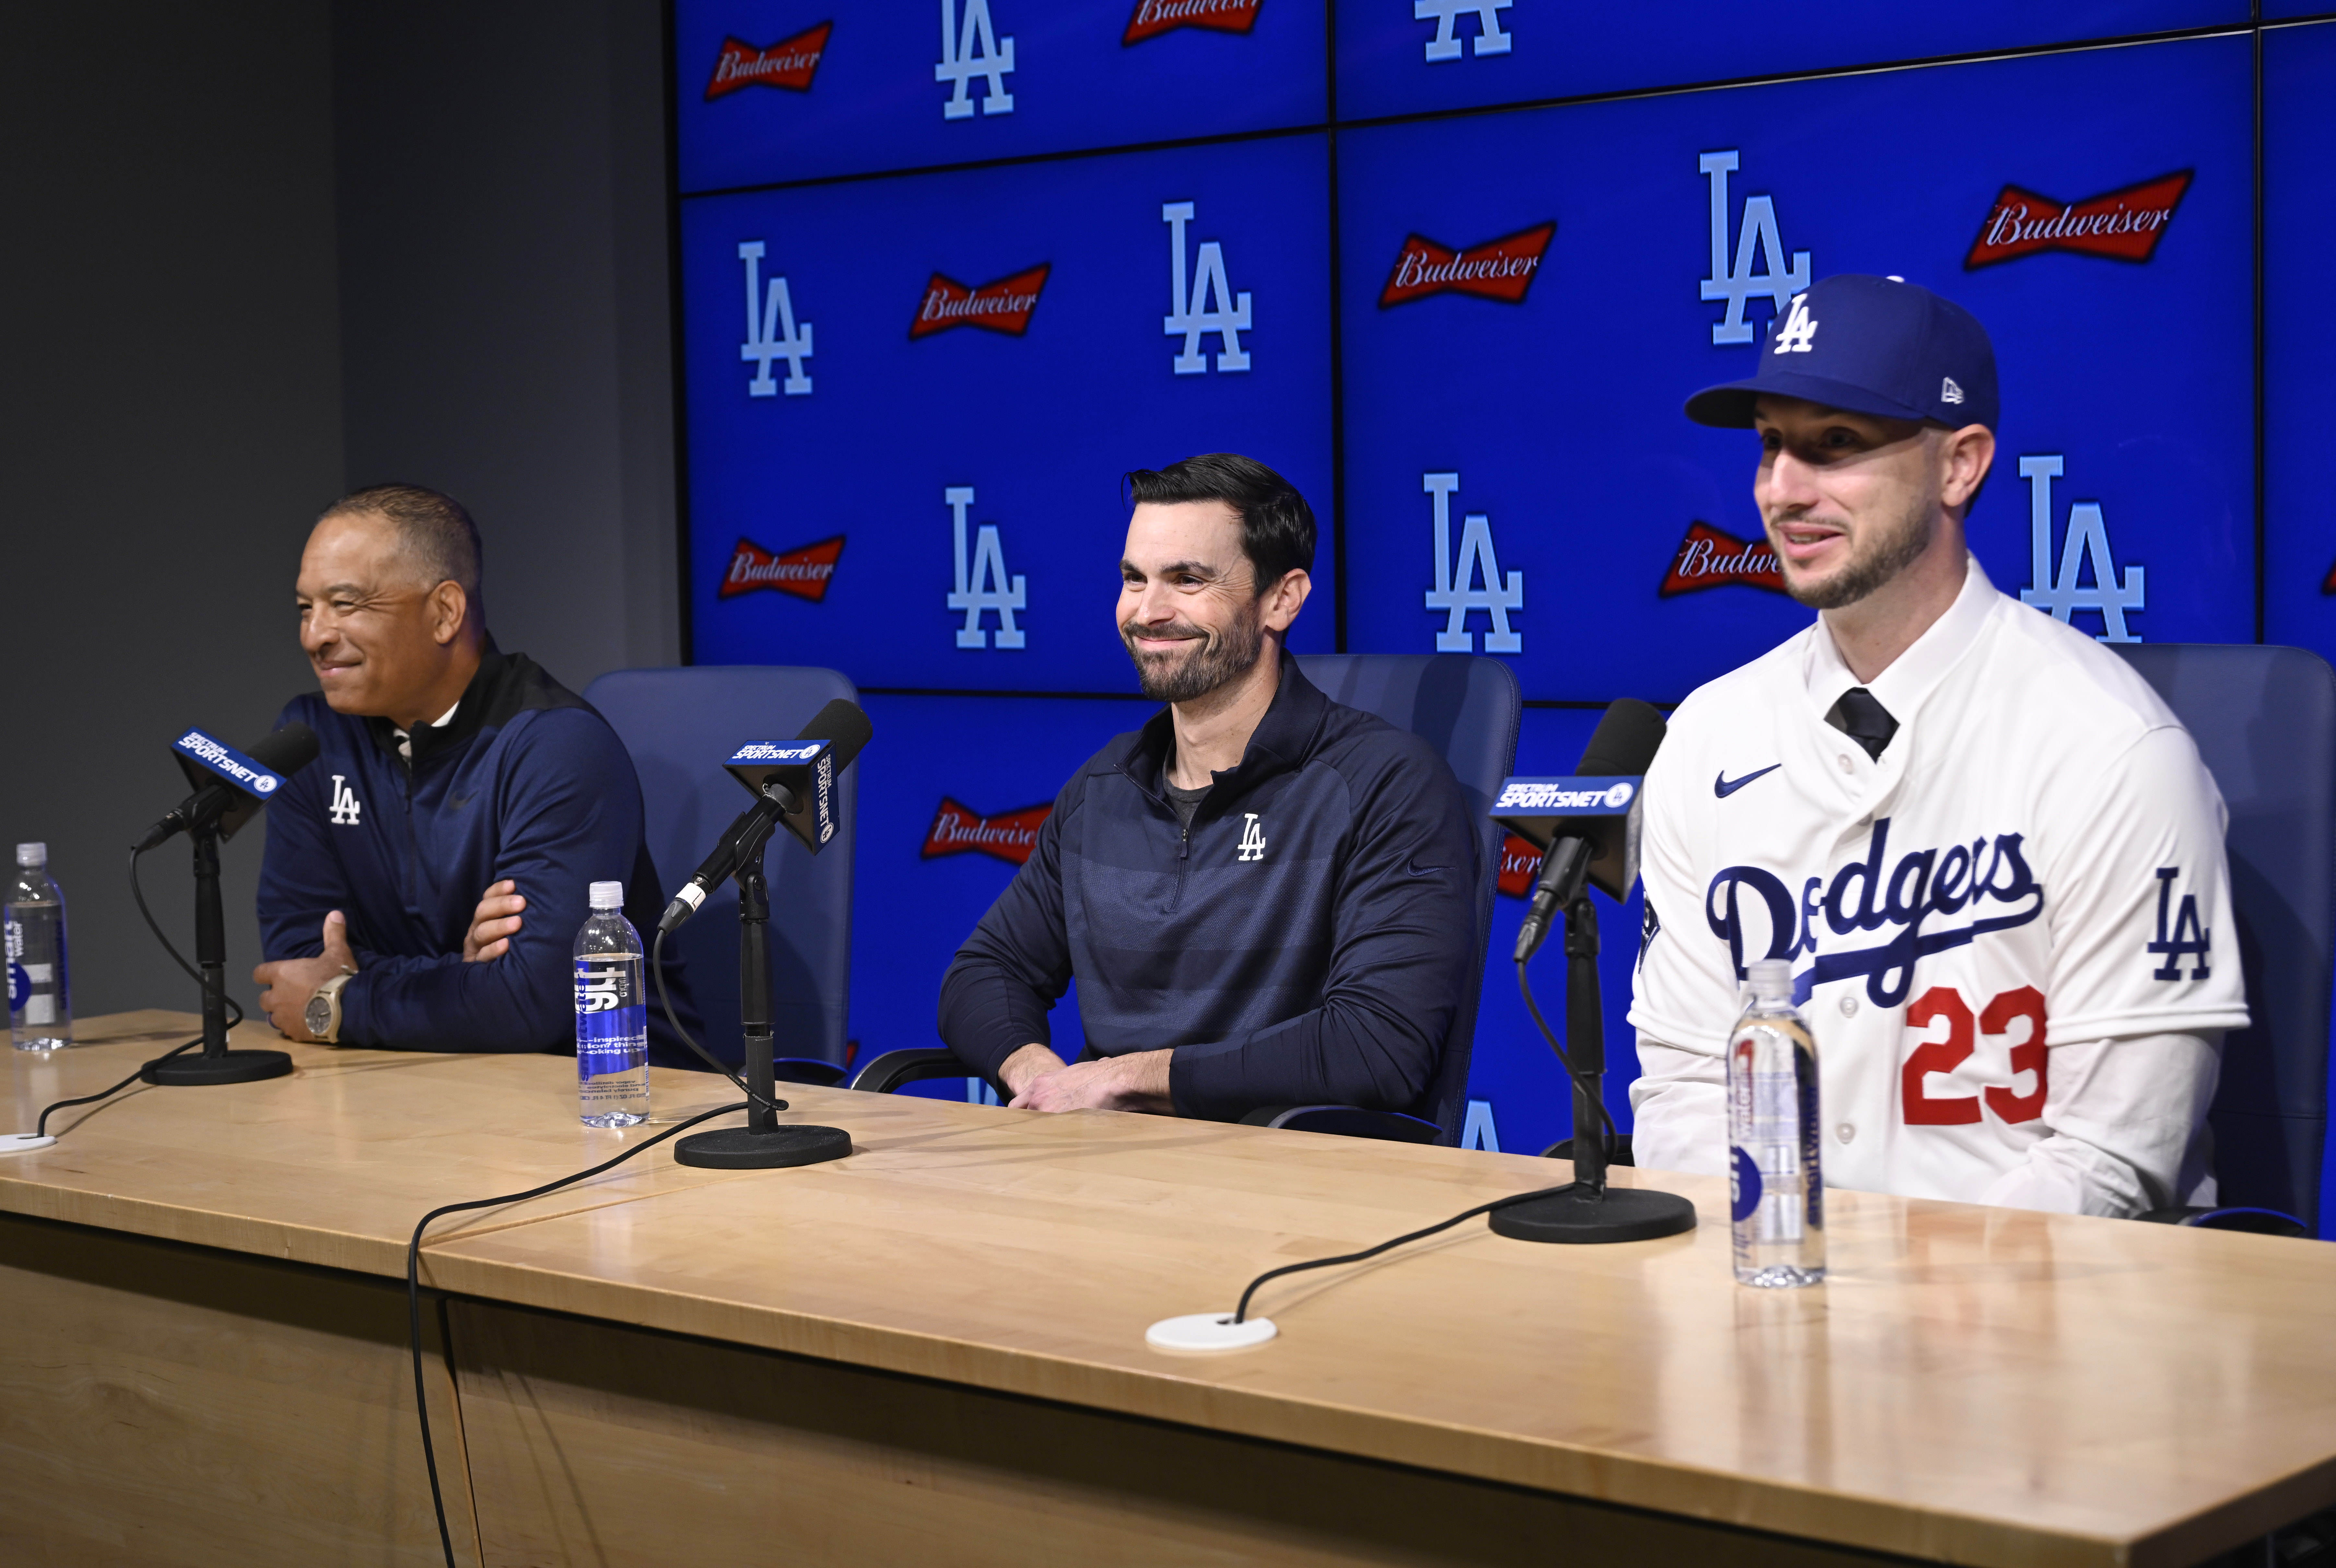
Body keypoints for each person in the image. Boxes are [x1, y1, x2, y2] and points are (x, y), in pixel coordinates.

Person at [1627, 274, 2248, 1216]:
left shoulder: (2115, 749)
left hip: (2057, 1325)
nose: (1782, 490)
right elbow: (1682, 1095)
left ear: (1960, 466)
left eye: (1836, 445)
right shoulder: (1707, 738)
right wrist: (1777, 1277)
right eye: (1769, 444)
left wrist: (1891, 1320)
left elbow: (2111, 1158)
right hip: (1772, 1301)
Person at [937, 453, 1480, 1121]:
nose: (1147, 611)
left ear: (1282, 598)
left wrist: (1122, 1078)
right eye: (1134, 579)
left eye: (1187, 580)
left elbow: (1377, 1045)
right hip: (1105, 1175)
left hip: (1290, 1191)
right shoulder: (1103, 788)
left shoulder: (1384, 783)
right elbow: (984, 972)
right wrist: (1039, 1071)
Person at [252, 484, 699, 1060]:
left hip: (608, 1097)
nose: (315, 636)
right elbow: (295, 961)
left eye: (346, 604)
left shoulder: (557, 745)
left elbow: (528, 1005)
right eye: (305, 608)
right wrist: (461, 981)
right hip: (415, 1083)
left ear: (444, 613)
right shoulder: (309, 739)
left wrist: (342, 1002)